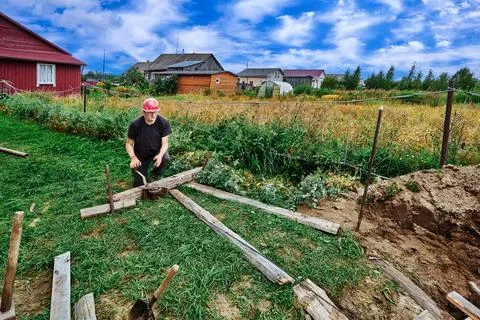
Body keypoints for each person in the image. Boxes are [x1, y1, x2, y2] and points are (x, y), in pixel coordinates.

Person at [126, 97, 172, 187]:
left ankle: (155, 175)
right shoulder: (135, 125)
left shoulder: (163, 122)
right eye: (150, 112)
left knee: (165, 158)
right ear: (144, 112)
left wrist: (160, 155)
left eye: (156, 112)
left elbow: (165, 143)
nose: (154, 115)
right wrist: (133, 158)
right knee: (139, 185)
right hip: (141, 155)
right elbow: (129, 144)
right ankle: (140, 175)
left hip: (156, 152)